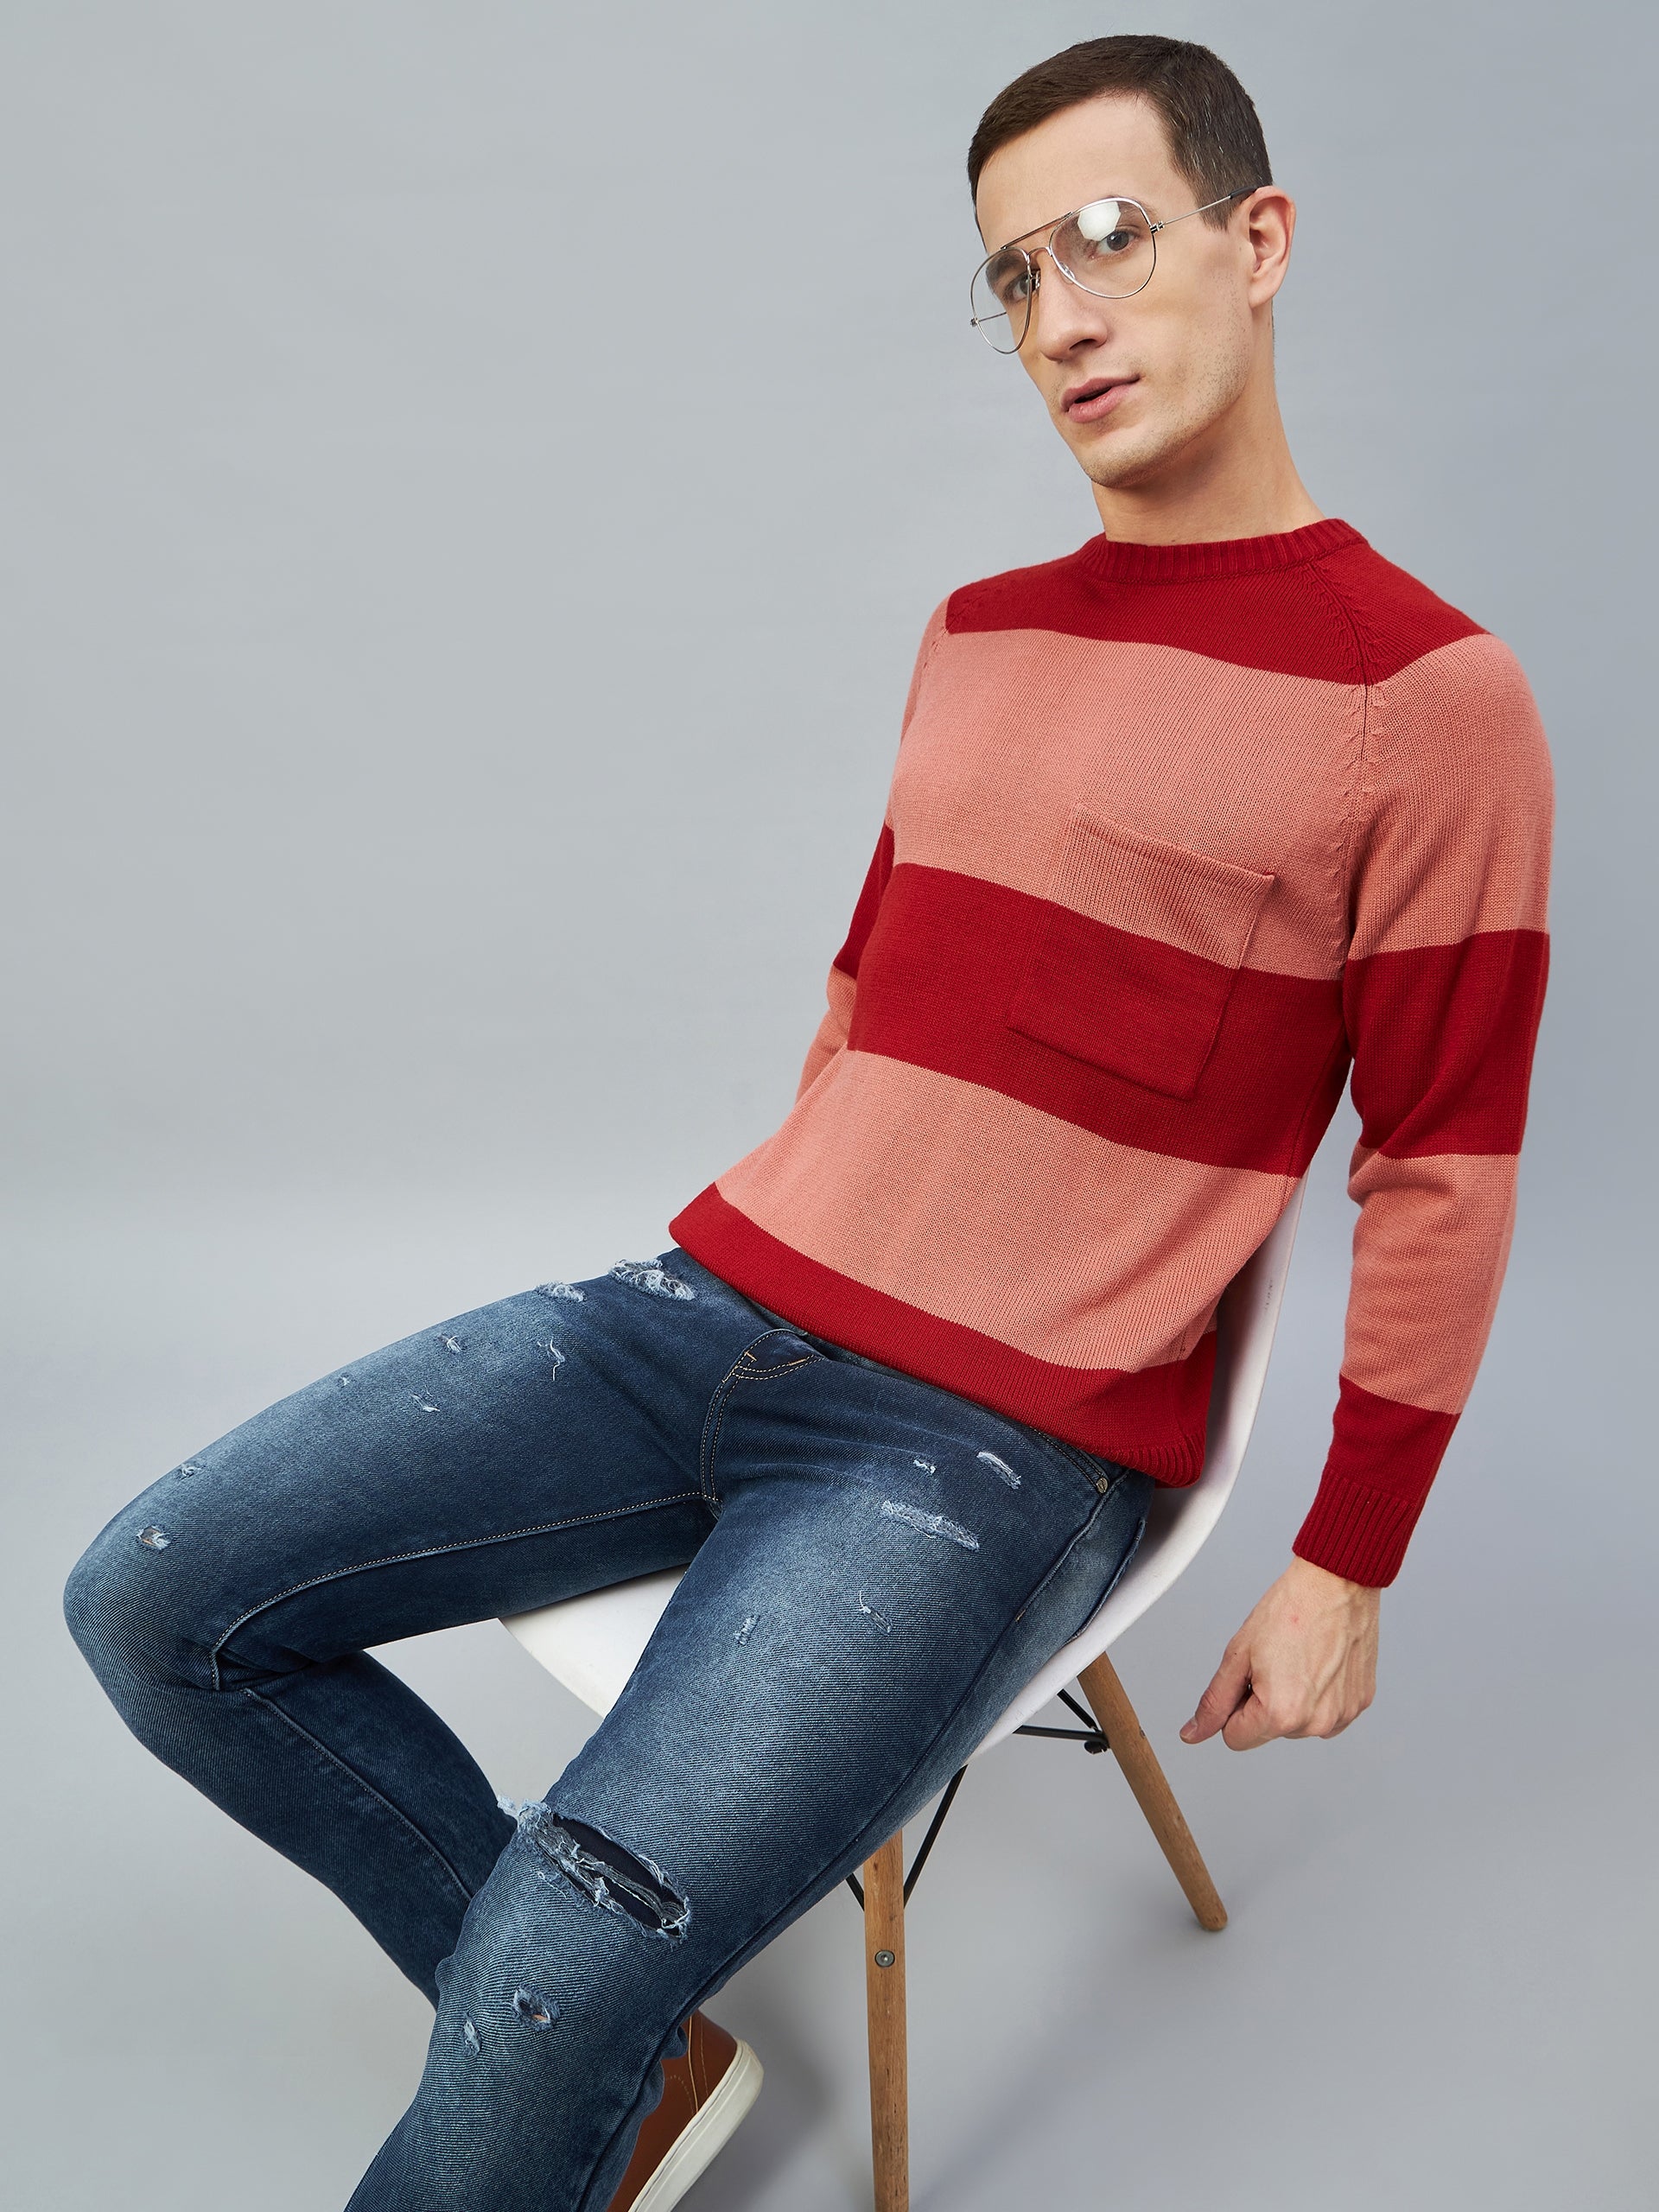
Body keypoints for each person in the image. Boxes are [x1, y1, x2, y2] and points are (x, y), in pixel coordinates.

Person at [64, 32, 1553, 2212]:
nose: (1062, 316)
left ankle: (570, 2024)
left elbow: (1444, 1164)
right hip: (704, 1307)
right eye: (1016, 274)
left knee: (559, 1951)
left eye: (1110, 240)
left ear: (1260, 241)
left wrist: (1350, 1559)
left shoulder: (1426, 700)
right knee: (152, 1598)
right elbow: (869, 995)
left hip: (988, 1440)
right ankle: (620, 2052)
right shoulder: (980, 632)